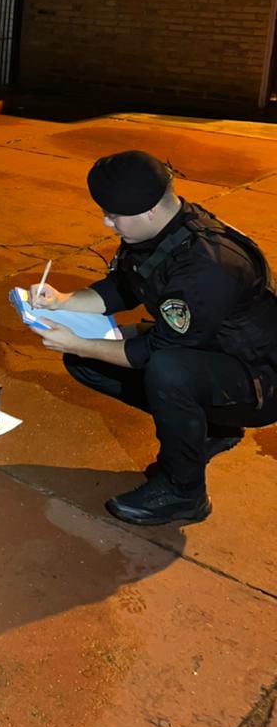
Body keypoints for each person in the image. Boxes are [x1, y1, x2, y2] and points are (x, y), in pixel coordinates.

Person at [31, 149, 277, 525]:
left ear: (147, 209)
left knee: (167, 370)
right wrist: (63, 301)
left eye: (113, 215)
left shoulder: (206, 264)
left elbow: (157, 350)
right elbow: (123, 287)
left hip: (260, 382)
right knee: (87, 361)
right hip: (213, 353)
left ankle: (183, 492)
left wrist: (80, 342)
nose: (107, 223)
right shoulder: (157, 231)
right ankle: (212, 428)